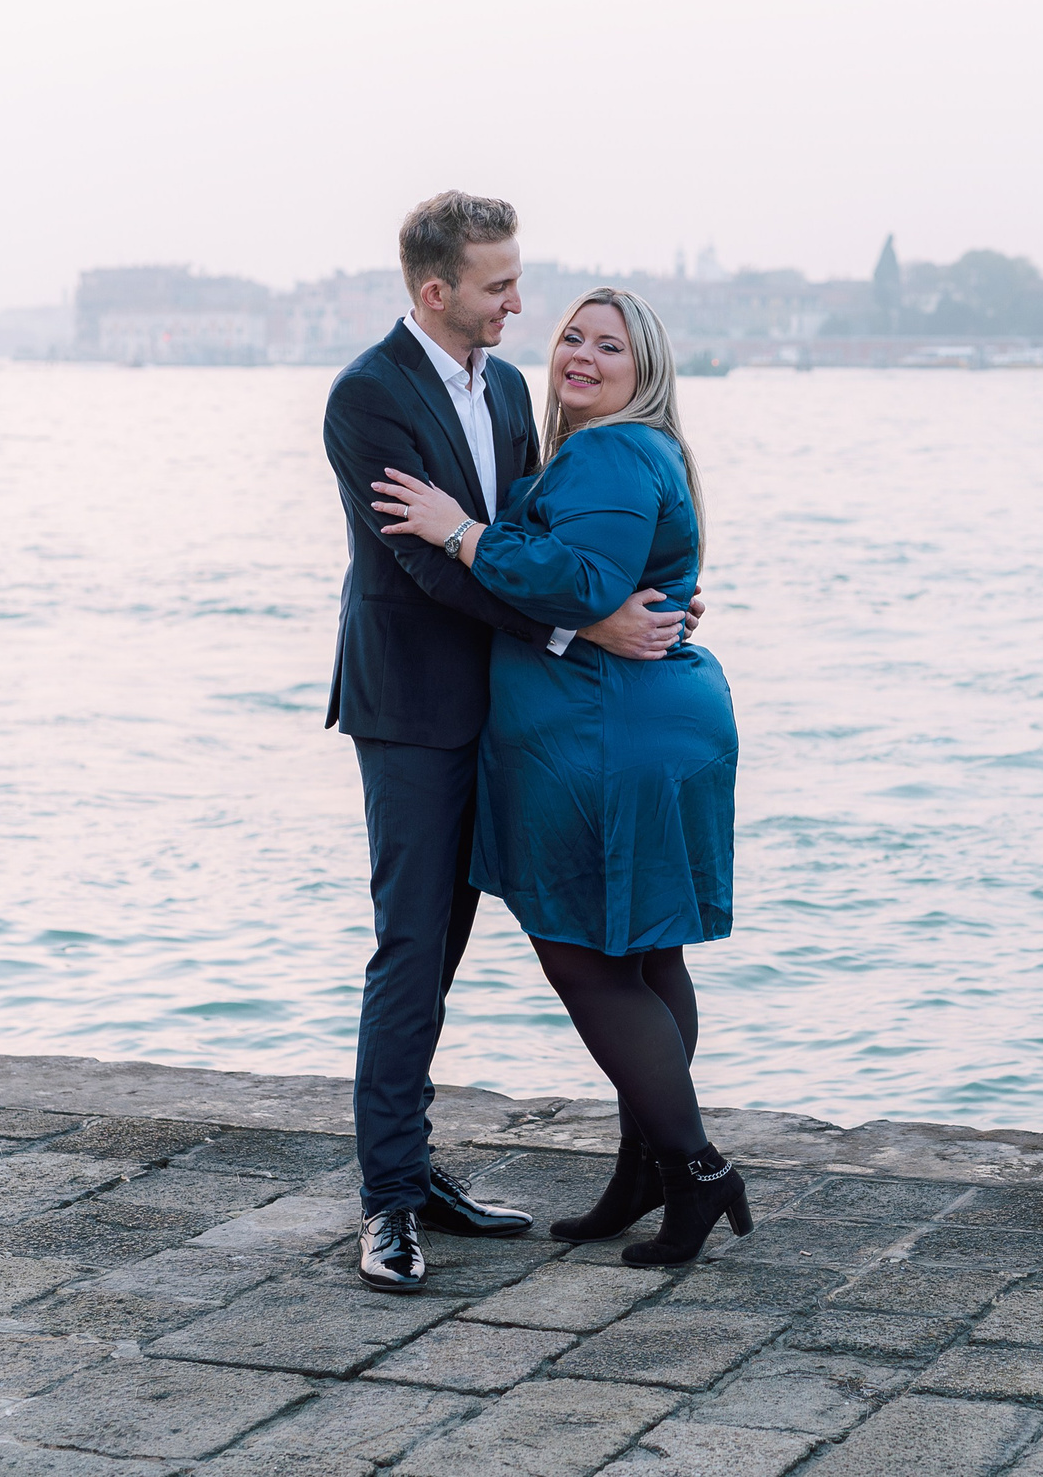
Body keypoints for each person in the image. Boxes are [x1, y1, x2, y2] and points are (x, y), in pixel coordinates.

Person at [323, 194, 696, 1294]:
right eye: (498, 286)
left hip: (513, 702)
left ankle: (650, 1160)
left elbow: (529, 539)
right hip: (412, 711)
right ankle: (391, 1198)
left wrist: (644, 598)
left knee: (554, 940)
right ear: (437, 292)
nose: (518, 304)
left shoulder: (505, 387)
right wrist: (586, 622)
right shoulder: (367, 397)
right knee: (411, 949)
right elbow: (426, 566)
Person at [372, 286, 746, 1268]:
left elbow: (577, 582)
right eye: (571, 336)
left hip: (606, 735)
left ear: (644, 368)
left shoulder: (611, 450)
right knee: (647, 952)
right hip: (628, 723)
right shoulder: (616, 450)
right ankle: (647, 1167)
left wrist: (457, 530)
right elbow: (605, 570)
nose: (580, 354)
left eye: (608, 345)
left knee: (581, 955)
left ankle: (696, 1168)